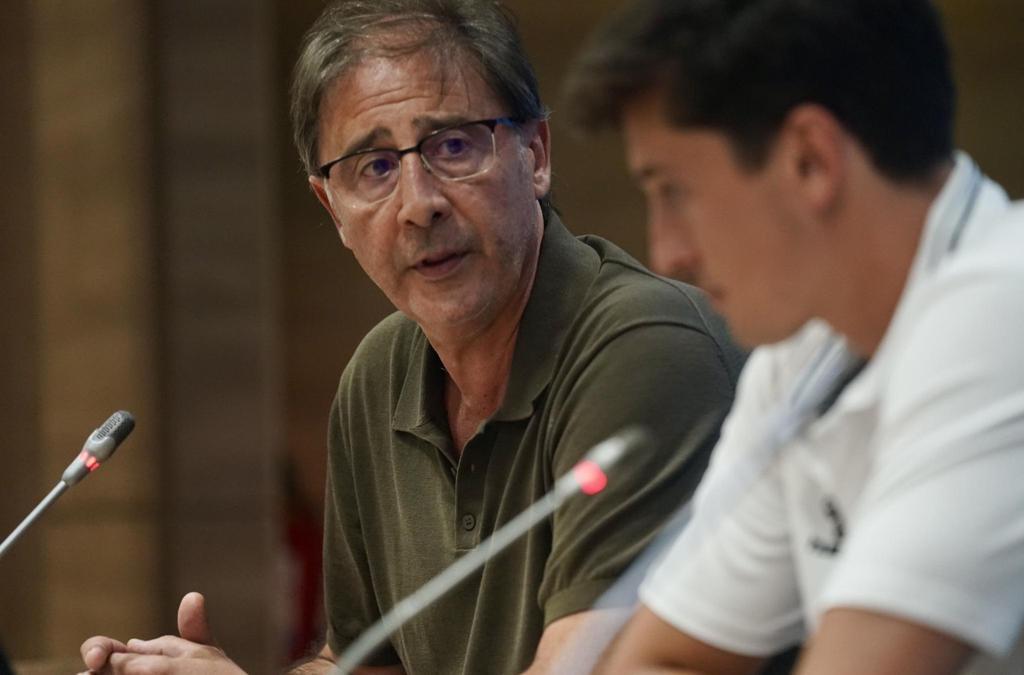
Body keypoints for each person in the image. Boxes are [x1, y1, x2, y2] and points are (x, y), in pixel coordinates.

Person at [78, 1, 743, 673]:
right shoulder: (377, 376)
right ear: (331, 208)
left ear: (536, 154)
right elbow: (362, 665)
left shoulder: (646, 349)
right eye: (374, 167)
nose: (418, 202)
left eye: (453, 146)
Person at [563, 0, 1024, 673]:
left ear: (810, 160)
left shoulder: (1020, 313)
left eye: (673, 192)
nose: (666, 253)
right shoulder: (808, 357)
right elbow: (666, 658)